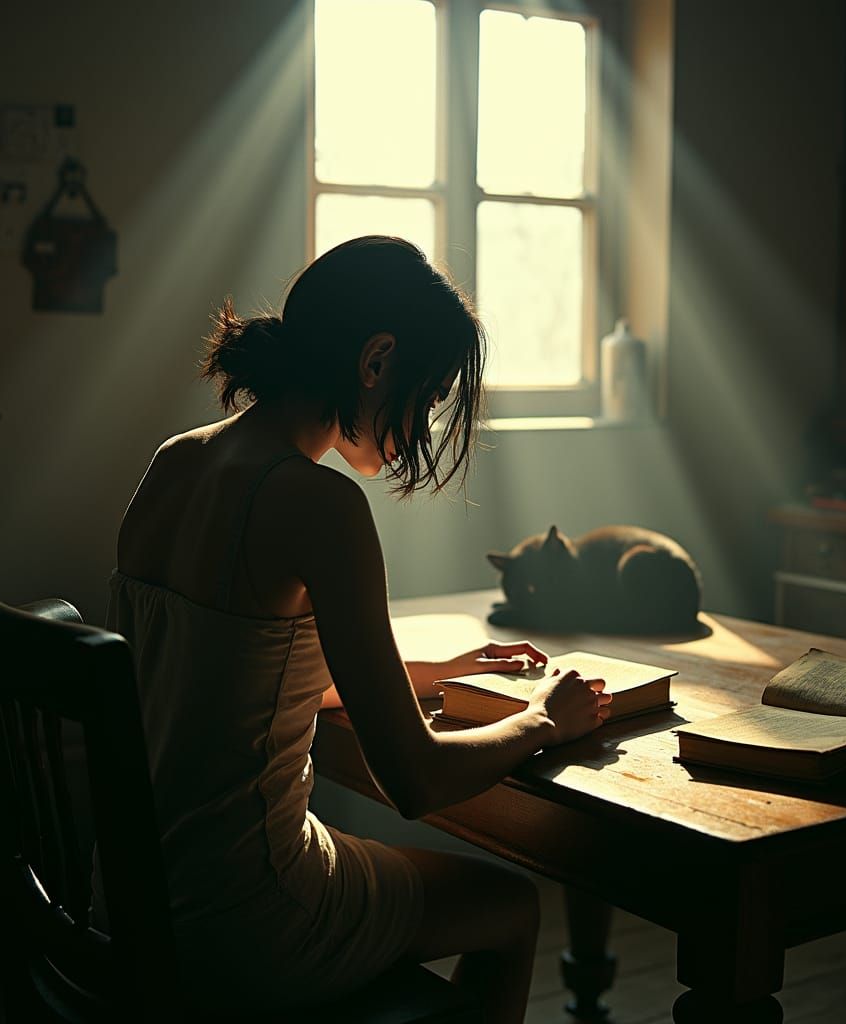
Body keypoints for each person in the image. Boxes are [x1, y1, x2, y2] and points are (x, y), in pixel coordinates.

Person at [91, 236, 612, 1023]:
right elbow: (415, 780)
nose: (424, 424)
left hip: (132, 898)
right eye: (429, 397)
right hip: (244, 918)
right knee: (510, 906)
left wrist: (448, 670)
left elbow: (235, 676)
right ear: (376, 361)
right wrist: (544, 719)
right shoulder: (318, 505)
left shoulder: (175, 463)